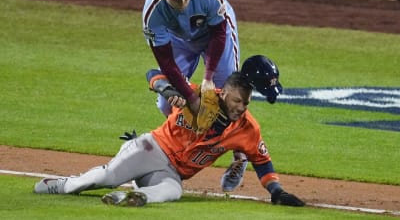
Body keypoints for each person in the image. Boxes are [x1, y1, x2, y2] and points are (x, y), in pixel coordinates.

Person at [33, 55, 303, 207]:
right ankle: (62, 185)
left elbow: (262, 161)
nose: (242, 107)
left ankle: (130, 198)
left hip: (171, 172)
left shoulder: (247, 128)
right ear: (227, 91)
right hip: (151, 149)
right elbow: (154, 72)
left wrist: (276, 191)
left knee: (172, 191)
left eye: (247, 103)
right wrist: (168, 89)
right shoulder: (197, 95)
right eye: (237, 101)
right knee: (108, 176)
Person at [142, 0, 245, 191]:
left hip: (214, 36)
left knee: (231, 96)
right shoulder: (153, 12)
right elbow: (165, 62)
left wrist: (208, 78)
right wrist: (191, 97)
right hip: (178, 40)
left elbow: (219, 33)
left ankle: (240, 157)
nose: (181, 2)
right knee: (164, 102)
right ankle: (178, 152)